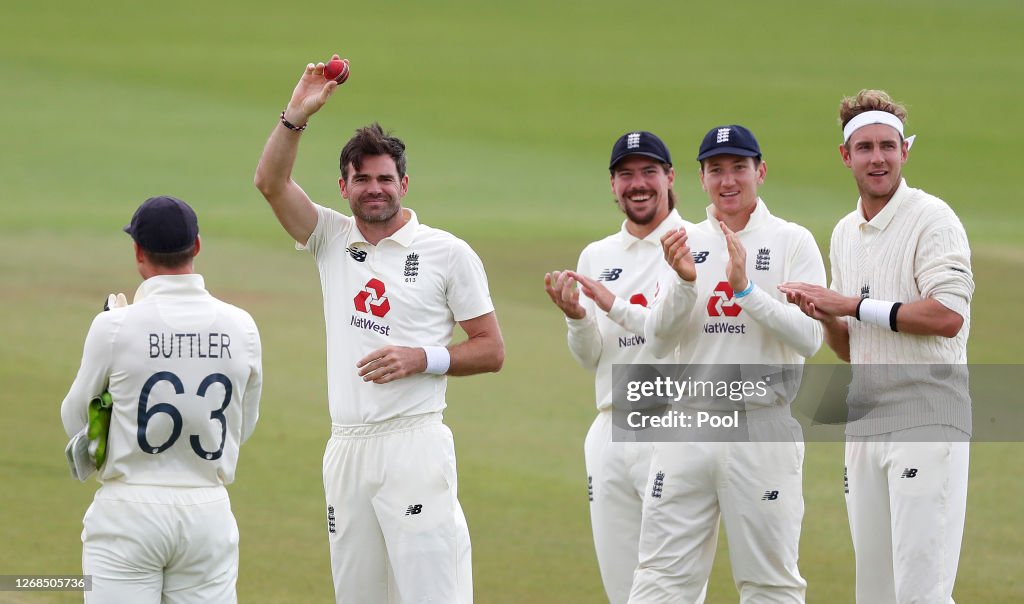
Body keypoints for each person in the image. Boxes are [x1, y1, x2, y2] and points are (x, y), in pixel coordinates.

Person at [253, 58, 504, 603]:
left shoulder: (447, 253)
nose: (374, 189)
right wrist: (296, 114)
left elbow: (491, 349)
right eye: (361, 179)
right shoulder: (331, 238)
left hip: (413, 441)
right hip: (346, 447)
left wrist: (424, 357)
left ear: (404, 183)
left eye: (384, 178)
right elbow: (270, 183)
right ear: (342, 186)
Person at [780, 90, 973, 603]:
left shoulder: (933, 219)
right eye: (864, 147)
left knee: (921, 592)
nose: (878, 158)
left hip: (927, 420)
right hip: (867, 426)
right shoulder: (844, 232)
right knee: (876, 593)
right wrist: (824, 314)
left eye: (888, 145)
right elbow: (851, 348)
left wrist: (850, 305)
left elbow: (947, 316)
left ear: (905, 151)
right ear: (846, 156)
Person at [628, 125, 825, 603]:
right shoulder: (680, 241)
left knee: (769, 583)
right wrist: (683, 283)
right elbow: (656, 342)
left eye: (739, 167)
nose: (728, 180)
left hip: (760, 425)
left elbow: (811, 338)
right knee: (660, 579)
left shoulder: (792, 241)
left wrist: (746, 291)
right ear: (700, 179)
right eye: (716, 169)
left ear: (760, 171)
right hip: (688, 423)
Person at [60, 195, 264, 603]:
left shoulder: (113, 326)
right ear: (198, 246)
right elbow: (244, 426)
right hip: (207, 512)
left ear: (138, 251)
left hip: (128, 514)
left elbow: (74, 419)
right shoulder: (242, 326)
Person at [544, 131, 703, 603]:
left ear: (669, 178)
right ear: (612, 185)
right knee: (622, 588)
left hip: (674, 426)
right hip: (611, 429)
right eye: (626, 174)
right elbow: (590, 356)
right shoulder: (598, 255)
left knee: (672, 588)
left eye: (648, 172)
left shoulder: (697, 244)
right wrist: (576, 319)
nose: (638, 184)